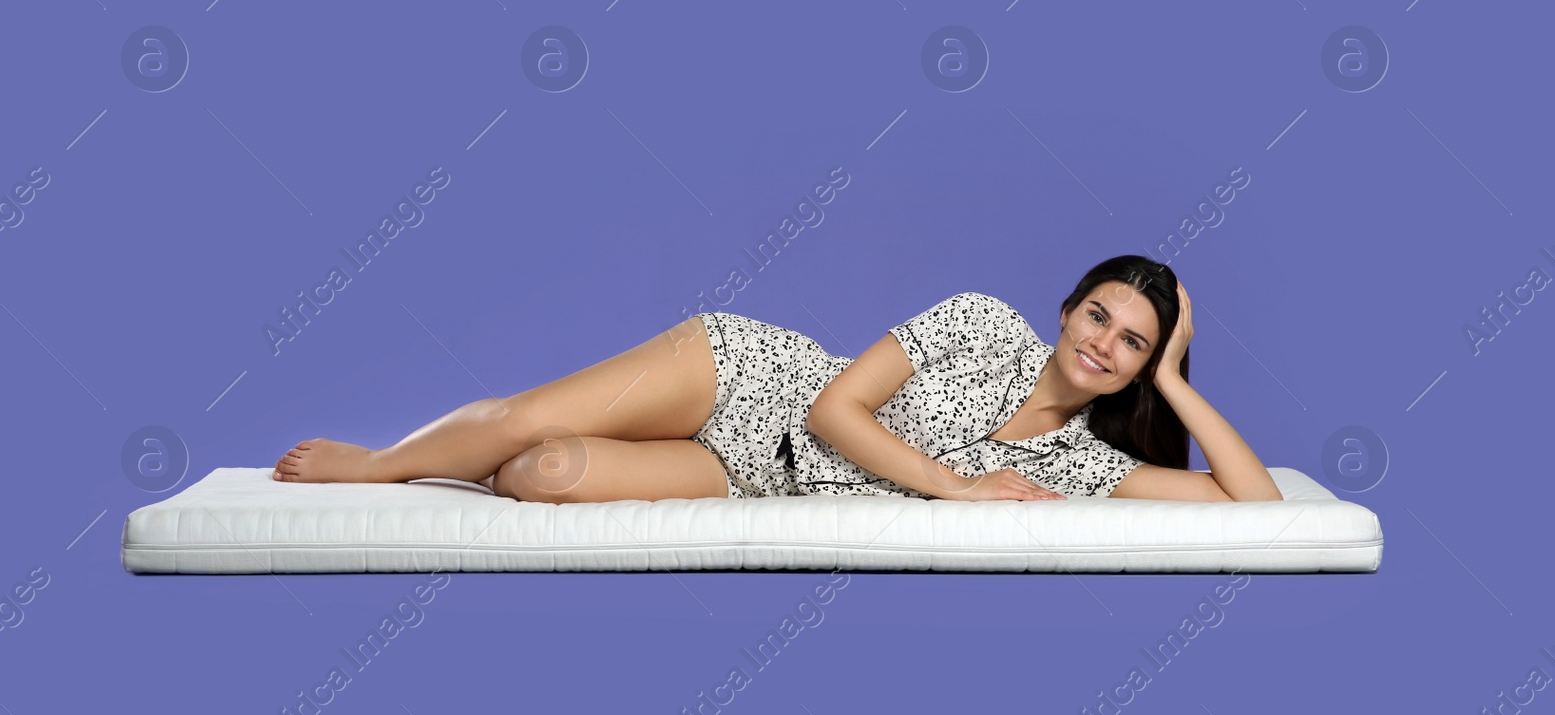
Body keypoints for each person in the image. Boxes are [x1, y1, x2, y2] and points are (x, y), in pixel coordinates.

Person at [272, 255, 1283, 504]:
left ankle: (471, 463)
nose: (1103, 342)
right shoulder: (983, 322)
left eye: (1134, 342)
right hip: (748, 382)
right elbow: (831, 405)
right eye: (1097, 314)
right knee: (529, 416)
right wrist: (959, 489)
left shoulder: (1077, 464)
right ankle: (378, 466)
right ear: (1066, 312)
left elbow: (1257, 501)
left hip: (764, 475)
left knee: (547, 477)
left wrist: (1183, 379)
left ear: (1144, 365)